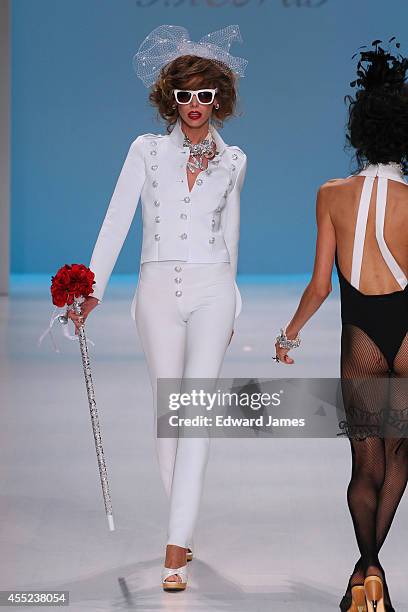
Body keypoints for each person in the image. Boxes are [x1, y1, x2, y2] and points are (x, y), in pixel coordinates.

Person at [68, 25, 248, 591]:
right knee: (170, 418)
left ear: (219, 99)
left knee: (194, 416)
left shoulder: (235, 160)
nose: (195, 106)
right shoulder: (145, 151)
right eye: (184, 95)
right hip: (155, 291)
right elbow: (118, 218)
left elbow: (231, 239)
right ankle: (185, 525)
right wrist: (89, 289)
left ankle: (174, 550)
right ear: (170, 99)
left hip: (213, 288)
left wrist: (234, 304)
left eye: (205, 95)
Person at [272, 39, 408, 612]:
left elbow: (322, 285)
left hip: (361, 343)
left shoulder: (332, 195)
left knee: (365, 464)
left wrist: (290, 333)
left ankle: (366, 570)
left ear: (359, 131)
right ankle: (370, 572)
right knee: (400, 461)